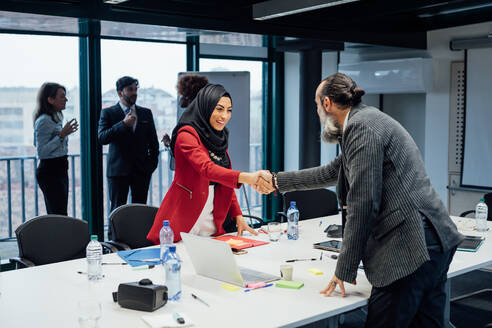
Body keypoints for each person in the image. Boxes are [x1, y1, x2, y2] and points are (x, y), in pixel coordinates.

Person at [263, 73, 464, 327]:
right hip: (434, 240)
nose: (317, 112)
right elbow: (332, 172)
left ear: (327, 104)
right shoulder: (365, 121)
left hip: (409, 246)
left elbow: (363, 202)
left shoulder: (361, 127)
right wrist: (276, 181)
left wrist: (344, 267)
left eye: (316, 105)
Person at [147, 83, 270, 243]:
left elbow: (224, 180)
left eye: (229, 110)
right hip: (184, 218)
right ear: (205, 106)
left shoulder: (218, 138)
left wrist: (238, 216)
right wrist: (250, 178)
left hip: (210, 222)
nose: (224, 116)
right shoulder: (186, 135)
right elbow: (207, 169)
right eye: (219, 109)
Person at [98, 76, 159, 216]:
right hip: (118, 171)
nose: (134, 93)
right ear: (120, 93)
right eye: (130, 89)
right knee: (117, 211)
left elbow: (154, 144)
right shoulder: (108, 113)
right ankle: (114, 238)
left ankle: (137, 237)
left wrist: (150, 166)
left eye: (136, 89)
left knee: (140, 210)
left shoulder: (146, 113)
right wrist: (123, 125)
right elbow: (102, 138)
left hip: (142, 171)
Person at [33, 82, 78, 215]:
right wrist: (62, 135)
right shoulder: (44, 120)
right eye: (62, 96)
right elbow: (41, 151)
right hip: (50, 171)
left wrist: (62, 135)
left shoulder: (57, 117)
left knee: (60, 212)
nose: (66, 99)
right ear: (50, 99)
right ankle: (56, 236)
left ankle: (59, 236)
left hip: (60, 168)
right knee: (57, 214)